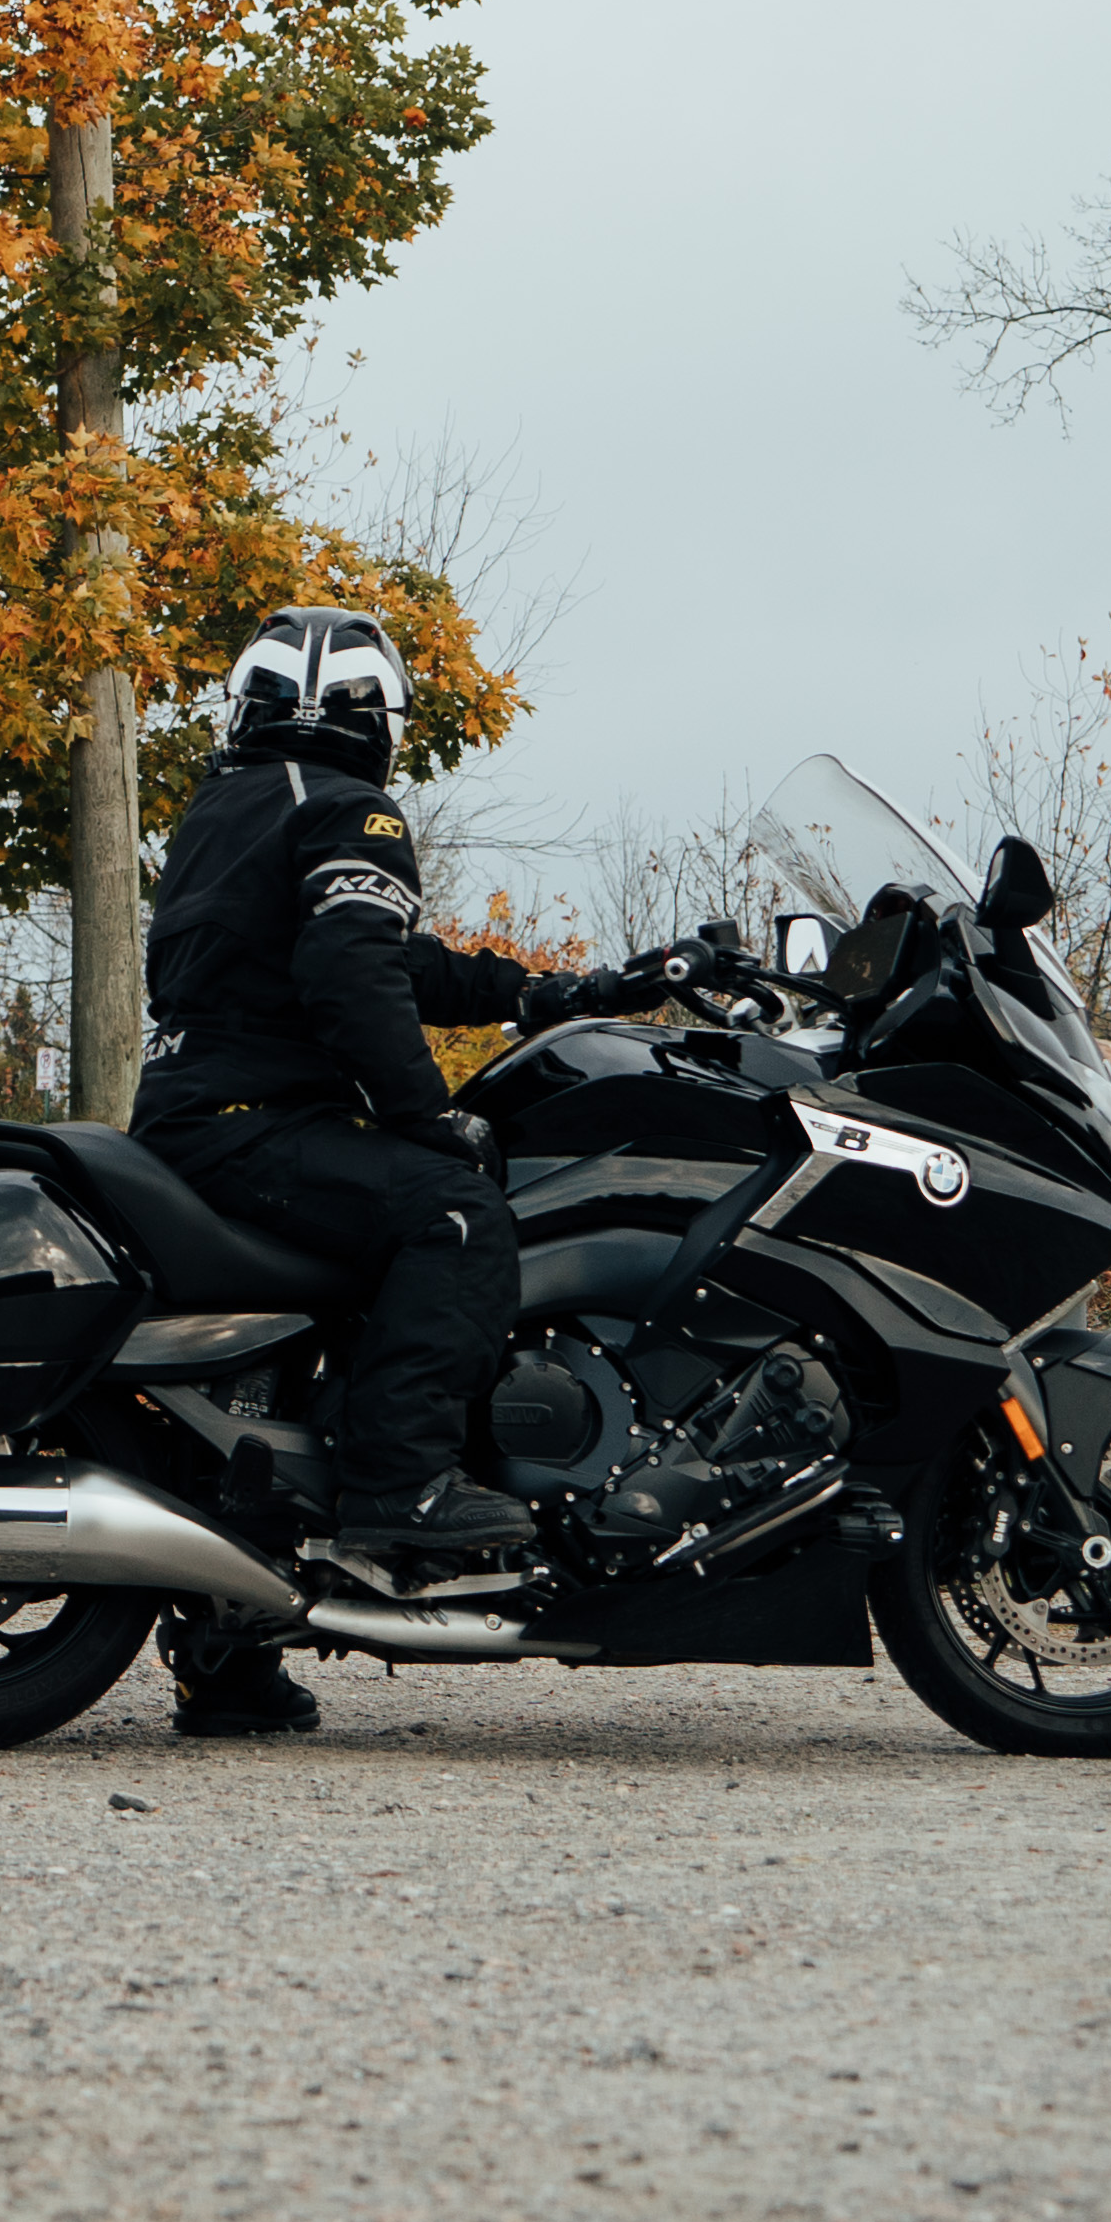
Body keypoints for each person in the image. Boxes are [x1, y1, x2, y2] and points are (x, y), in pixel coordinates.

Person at [132, 604, 674, 1703]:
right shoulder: (348, 807)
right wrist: (424, 1115)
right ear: (375, 720)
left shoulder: (229, 808)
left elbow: (394, 957)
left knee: (339, 1298)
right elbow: (351, 969)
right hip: (254, 1122)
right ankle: (403, 1494)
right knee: (455, 1212)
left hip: (200, 1118)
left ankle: (229, 1647)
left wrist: (545, 992)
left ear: (249, 708)